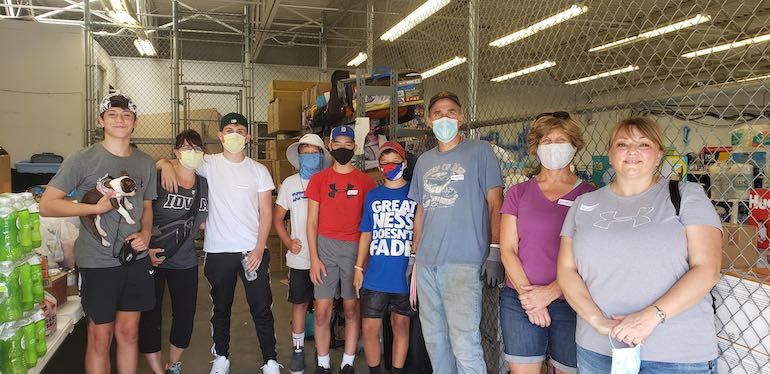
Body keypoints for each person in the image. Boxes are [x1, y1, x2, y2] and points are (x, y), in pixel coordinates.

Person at [558, 117, 722, 373]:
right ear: (611, 154)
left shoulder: (686, 196)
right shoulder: (583, 205)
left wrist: (650, 317)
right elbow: (567, 271)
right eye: (622, 144)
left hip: (675, 354)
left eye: (643, 144)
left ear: (658, 155)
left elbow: (707, 269)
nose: (632, 151)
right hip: (599, 349)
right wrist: (599, 322)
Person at [39, 93, 157, 374]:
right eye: (113, 115)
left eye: (126, 116)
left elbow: (148, 207)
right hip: (97, 262)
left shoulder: (145, 162)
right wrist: (91, 209)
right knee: (100, 337)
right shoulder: (82, 159)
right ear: (100, 120)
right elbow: (47, 205)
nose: (120, 120)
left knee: (128, 334)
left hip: (135, 260)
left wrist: (146, 233)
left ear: (135, 123)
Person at [158, 113, 280, 374]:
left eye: (240, 130)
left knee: (261, 307)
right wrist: (165, 165)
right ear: (220, 136)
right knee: (221, 307)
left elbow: (266, 212)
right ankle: (221, 357)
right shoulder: (207, 164)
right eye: (229, 130)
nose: (235, 134)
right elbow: (177, 160)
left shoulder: (259, 171)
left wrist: (259, 247)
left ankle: (270, 360)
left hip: (251, 250)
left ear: (247, 136)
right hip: (218, 250)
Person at [408, 91, 504, 373]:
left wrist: (495, 250)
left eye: (451, 112)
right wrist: (414, 256)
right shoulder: (424, 161)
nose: (444, 118)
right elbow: (421, 212)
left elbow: (495, 200)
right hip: (427, 264)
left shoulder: (480, 151)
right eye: (437, 113)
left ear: (461, 117)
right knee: (435, 340)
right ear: (429, 120)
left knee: (464, 342)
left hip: (463, 263)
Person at [499, 112, 594, 374]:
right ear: (536, 147)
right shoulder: (518, 193)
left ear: (574, 145)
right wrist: (530, 297)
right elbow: (508, 250)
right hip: (520, 299)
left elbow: (588, 257)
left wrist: (551, 292)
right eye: (547, 140)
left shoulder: (589, 196)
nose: (553, 146)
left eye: (561, 140)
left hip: (571, 299)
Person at [306, 125, 377, 374]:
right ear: (330, 145)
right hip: (324, 248)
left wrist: (362, 261)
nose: (344, 147)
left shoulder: (367, 182)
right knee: (323, 310)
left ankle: (347, 361)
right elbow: (312, 221)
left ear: (355, 147)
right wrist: (314, 258)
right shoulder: (319, 180)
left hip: (354, 250)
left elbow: (368, 225)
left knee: (351, 308)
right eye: (339, 143)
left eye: (349, 143)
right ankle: (323, 362)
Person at [139, 129, 209, 374]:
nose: (192, 153)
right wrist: (143, 250)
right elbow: (140, 215)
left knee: (185, 314)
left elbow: (203, 223)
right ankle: (158, 370)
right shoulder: (159, 177)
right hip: (152, 259)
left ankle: (174, 365)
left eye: (198, 149)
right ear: (176, 152)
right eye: (187, 148)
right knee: (151, 316)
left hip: (186, 260)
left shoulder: (204, 185)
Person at [353, 142, 416, 374]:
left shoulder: (415, 194)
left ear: (405, 164)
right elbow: (366, 233)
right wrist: (359, 268)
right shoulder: (373, 196)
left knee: (401, 325)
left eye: (395, 162)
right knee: (369, 328)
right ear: (379, 167)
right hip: (375, 275)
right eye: (385, 163)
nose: (390, 167)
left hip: (404, 275)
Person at [272, 133, 332, 374]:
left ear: (321, 156)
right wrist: (287, 241)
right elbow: (277, 218)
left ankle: (322, 352)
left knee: (323, 307)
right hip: (299, 258)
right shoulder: (290, 184)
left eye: (314, 152)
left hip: (326, 256)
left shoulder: (329, 181)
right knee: (299, 304)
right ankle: (298, 351)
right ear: (299, 157)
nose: (309, 157)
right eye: (304, 153)